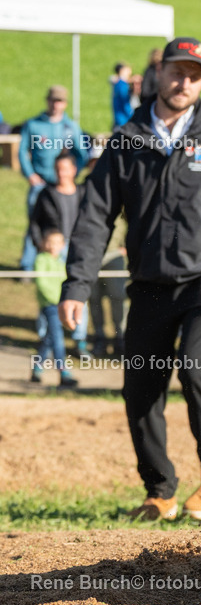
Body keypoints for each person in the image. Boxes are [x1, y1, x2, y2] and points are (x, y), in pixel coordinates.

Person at [58, 36, 201, 522]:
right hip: (150, 281)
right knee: (140, 387)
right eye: (176, 70)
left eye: (195, 73)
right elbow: (95, 218)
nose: (184, 80)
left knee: (199, 366)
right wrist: (77, 284)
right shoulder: (127, 140)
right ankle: (158, 490)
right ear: (158, 73)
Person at [18, 85, 89, 272]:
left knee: (62, 224)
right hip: (41, 182)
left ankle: (61, 263)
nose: (56, 105)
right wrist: (30, 174)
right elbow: (22, 151)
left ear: (64, 104)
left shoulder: (70, 126)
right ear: (47, 101)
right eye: (53, 100)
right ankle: (28, 265)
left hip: (63, 185)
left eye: (60, 101)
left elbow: (81, 153)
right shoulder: (33, 124)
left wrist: (72, 174)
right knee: (35, 223)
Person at [28, 150, 90, 358]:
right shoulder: (46, 193)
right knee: (50, 298)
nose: (61, 174)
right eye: (58, 170)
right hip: (55, 250)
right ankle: (47, 337)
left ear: (73, 170)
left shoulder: (83, 192)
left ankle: (79, 340)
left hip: (78, 247)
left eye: (64, 169)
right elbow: (35, 222)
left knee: (80, 294)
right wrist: (41, 245)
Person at [32, 229, 78, 389]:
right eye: (50, 242)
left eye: (57, 242)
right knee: (57, 338)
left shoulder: (61, 261)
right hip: (50, 305)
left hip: (60, 304)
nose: (53, 246)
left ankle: (37, 368)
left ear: (63, 245)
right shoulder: (41, 259)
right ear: (44, 243)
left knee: (50, 338)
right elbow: (42, 284)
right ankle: (63, 371)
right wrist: (58, 300)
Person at [112, 62, 133, 129]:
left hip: (118, 118)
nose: (130, 72)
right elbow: (125, 102)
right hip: (124, 120)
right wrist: (132, 116)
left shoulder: (117, 83)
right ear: (122, 71)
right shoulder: (123, 85)